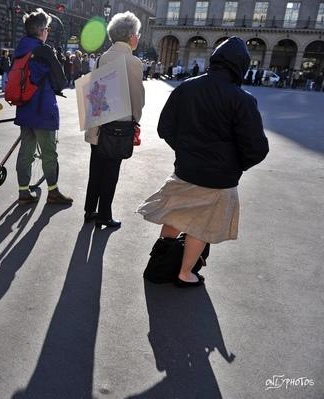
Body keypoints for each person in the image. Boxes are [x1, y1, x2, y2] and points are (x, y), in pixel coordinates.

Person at [137, 37, 269, 287]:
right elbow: (256, 148)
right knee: (201, 225)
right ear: (240, 65)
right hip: (219, 179)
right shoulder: (242, 99)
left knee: (175, 214)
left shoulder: (186, 87)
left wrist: (185, 150)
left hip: (185, 170)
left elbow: (165, 127)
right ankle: (184, 273)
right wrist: (235, 164)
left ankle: (160, 262)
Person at [83, 11, 145, 228]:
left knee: (96, 169)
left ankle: (90, 211)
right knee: (111, 172)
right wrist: (135, 118)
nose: (138, 37)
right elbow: (137, 98)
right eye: (137, 33)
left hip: (99, 124)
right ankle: (104, 215)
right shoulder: (133, 61)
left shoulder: (102, 58)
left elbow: (94, 92)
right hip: (119, 125)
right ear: (129, 35)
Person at [13, 8, 71, 205]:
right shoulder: (44, 50)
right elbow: (61, 81)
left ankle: (23, 192)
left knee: (26, 151)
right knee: (49, 153)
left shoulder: (20, 48)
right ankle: (53, 192)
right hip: (43, 109)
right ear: (42, 30)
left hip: (25, 107)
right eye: (47, 28)